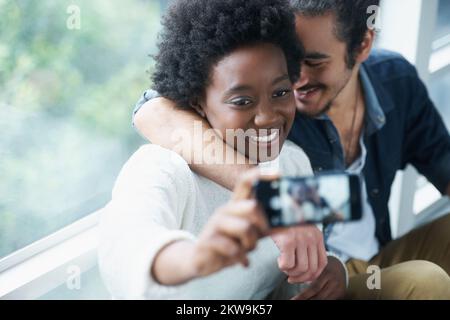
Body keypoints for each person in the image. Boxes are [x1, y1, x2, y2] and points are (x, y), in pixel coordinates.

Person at [133, 0, 450, 299]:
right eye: (289, 60)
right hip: (308, 282)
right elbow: (154, 110)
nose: (296, 79)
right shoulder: (269, 125)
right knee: (425, 282)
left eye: (314, 62)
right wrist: (267, 195)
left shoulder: (395, 79)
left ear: (363, 45)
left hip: (364, 263)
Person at [98, 0, 347, 300]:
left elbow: (294, 275)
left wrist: (332, 270)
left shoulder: (294, 163)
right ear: (197, 102)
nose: (268, 116)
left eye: (280, 92)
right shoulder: (162, 169)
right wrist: (195, 258)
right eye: (242, 101)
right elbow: (126, 245)